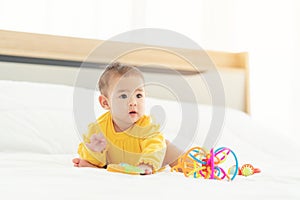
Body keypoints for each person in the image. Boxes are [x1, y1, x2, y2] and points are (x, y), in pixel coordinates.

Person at [72, 62, 183, 174]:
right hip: (120, 164)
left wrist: (147, 164)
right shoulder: (98, 130)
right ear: (106, 103)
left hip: (154, 159)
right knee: (93, 157)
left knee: (167, 147)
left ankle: (194, 163)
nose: (133, 102)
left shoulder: (148, 127)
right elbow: (88, 151)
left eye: (138, 95)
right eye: (123, 96)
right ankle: (94, 166)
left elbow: (154, 146)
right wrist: (94, 151)